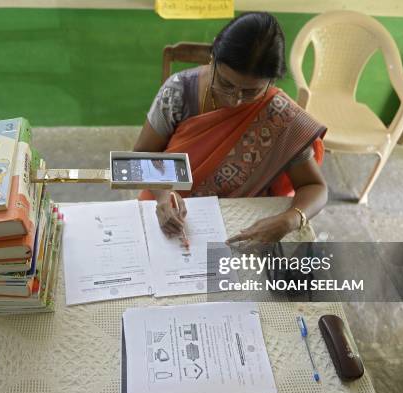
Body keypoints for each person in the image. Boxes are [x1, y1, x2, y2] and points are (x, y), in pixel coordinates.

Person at [135, 12, 328, 243]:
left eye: (250, 92)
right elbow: (141, 157)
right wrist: (164, 197)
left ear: (272, 82)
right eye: (225, 83)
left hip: (234, 221)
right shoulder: (179, 92)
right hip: (166, 208)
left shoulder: (281, 116)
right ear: (213, 59)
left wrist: (290, 219)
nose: (235, 99)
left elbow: (315, 187)